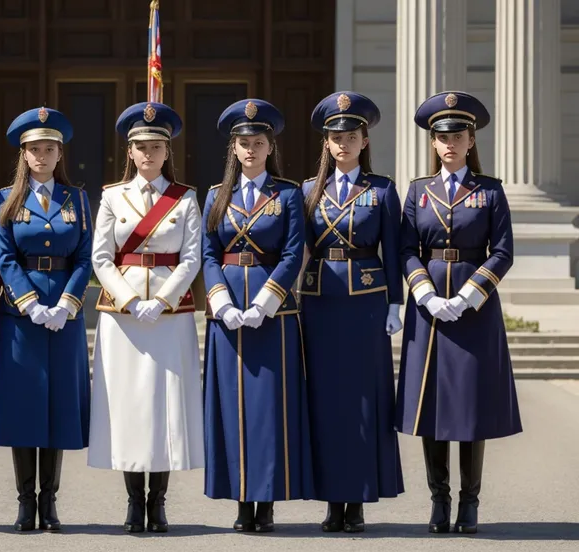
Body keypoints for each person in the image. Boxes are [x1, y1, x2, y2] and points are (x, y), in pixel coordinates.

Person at [396, 91, 522, 534]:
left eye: (458, 135)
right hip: (429, 307)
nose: (449, 143)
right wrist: (425, 294)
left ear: (471, 141)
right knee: (432, 406)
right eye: (441, 136)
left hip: (475, 308)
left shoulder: (490, 191)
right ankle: (438, 501)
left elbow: (503, 252)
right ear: (433, 143)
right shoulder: (417, 191)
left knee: (469, 406)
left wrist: (471, 294)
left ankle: (469, 504)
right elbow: (406, 248)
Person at [88, 101, 204, 533]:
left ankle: (159, 503)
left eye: (157, 146)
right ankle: (134, 502)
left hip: (170, 316)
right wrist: (131, 300)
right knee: (132, 408)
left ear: (167, 151)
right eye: (142, 147)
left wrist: (165, 299)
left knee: (166, 408)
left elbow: (192, 259)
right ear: (131, 153)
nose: (149, 154)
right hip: (124, 317)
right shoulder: (110, 197)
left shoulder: (186, 199)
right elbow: (101, 258)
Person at [202, 98, 314, 533]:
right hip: (227, 310)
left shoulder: (287, 194)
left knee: (269, 408)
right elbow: (209, 253)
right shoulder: (216, 195)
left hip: (274, 312)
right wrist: (221, 302)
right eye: (243, 143)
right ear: (233, 149)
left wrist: (267, 300)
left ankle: (265, 500)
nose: (250, 149)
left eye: (259, 142)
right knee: (232, 407)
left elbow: (292, 252)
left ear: (271, 147)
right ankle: (239, 500)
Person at [299, 92, 405, 533]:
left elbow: (395, 251)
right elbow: (300, 250)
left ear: (365, 141)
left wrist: (396, 302)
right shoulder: (307, 190)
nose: (343, 143)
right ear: (326, 143)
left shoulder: (381, 190)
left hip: (365, 302)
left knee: (364, 402)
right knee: (325, 402)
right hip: (321, 302)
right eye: (335, 136)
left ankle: (358, 499)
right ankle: (330, 500)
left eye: (351, 136)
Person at [0, 107, 92, 532]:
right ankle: (24, 503)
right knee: (25, 407)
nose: (42, 155)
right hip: (21, 314)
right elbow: (4, 256)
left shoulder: (78, 198)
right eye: (35, 149)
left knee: (58, 407)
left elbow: (85, 257)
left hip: (64, 317)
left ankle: (49, 503)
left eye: (49, 148)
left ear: (59, 152)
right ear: (24, 154)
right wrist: (30, 302)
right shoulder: (4, 199)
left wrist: (68, 303)